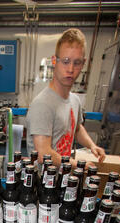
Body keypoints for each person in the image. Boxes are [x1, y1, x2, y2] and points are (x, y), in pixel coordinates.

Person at [26, 28, 105, 168]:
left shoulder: (74, 100)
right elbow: (43, 154)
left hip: (64, 178)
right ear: (54, 61)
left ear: (83, 63)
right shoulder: (42, 104)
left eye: (77, 62)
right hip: (44, 185)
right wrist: (78, 165)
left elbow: (77, 128)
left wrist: (92, 145)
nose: (70, 69)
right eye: (66, 61)